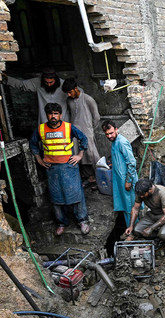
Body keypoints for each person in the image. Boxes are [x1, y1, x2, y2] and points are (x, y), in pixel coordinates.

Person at [29, 102, 90, 236]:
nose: (53, 116)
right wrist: (39, 159)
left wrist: (80, 155)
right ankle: (61, 222)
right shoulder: (41, 129)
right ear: (47, 115)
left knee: (76, 194)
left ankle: (82, 220)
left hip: (69, 166)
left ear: (60, 115)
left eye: (56, 114)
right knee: (56, 197)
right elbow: (33, 144)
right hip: (52, 169)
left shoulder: (68, 127)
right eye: (50, 114)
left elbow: (83, 139)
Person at [62, 78, 101, 185]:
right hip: (74, 133)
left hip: (87, 132)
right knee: (79, 156)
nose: (69, 95)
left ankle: (100, 178)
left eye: (70, 92)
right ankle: (90, 177)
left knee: (92, 156)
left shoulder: (88, 99)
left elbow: (96, 117)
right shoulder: (69, 101)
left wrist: (90, 129)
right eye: (67, 93)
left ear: (76, 89)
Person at [124, 178, 165, 258]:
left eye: (143, 195)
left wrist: (151, 228)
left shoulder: (162, 192)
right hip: (153, 214)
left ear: (150, 190)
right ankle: (158, 239)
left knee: (163, 234)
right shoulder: (141, 192)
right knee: (137, 230)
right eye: (140, 195)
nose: (141, 197)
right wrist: (131, 226)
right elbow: (135, 209)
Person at [102, 120, 137, 226]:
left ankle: (133, 232)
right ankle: (129, 229)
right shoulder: (114, 142)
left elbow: (132, 163)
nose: (109, 136)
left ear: (116, 129)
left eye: (111, 133)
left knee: (130, 207)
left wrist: (128, 181)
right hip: (121, 181)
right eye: (107, 134)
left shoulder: (121, 142)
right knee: (126, 206)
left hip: (127, 181)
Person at [3, 67, 68, 124]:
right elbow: (22, 85)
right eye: (46, 82)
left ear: (56, 80)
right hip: (45, 121)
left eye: (51, 82)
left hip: (63, 120)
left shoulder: (64, 84)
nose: (49, 85)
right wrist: (7, 78)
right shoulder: (37, 82)